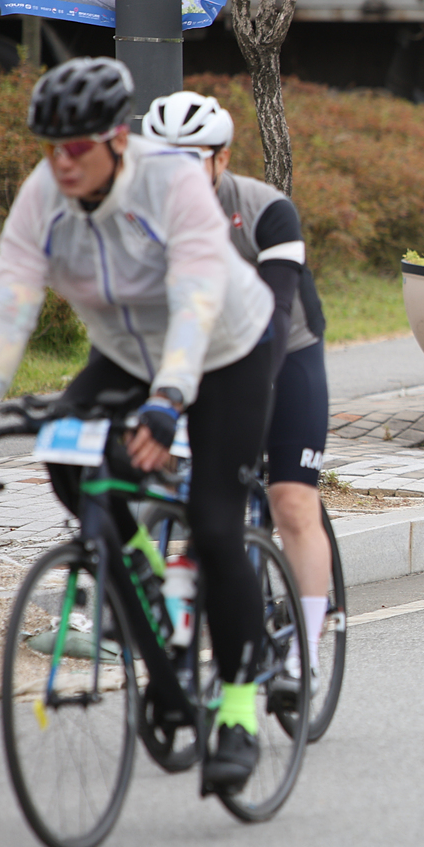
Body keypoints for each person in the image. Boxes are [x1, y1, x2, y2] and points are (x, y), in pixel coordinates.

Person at [0, 59, 278, 790]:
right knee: (69, 461)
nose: (62, 163)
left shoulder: (171, 184)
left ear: (116, 140)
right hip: (126, 356)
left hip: (225, 349)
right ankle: (145, 592)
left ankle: (238, 708)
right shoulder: (43, 198)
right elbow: (10, 305)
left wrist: (169, 400)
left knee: (215, 524)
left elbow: (196, 298)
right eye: (50, 148)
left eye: (76, 147)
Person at [143, 93, 334, 679]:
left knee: (291, 500)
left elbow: (274, 315)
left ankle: (306, 650)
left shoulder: (265, 209)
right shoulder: (141, 218)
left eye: (189, 160)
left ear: (221, 159)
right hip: (201, 355)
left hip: (285, 350)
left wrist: (247, 402)